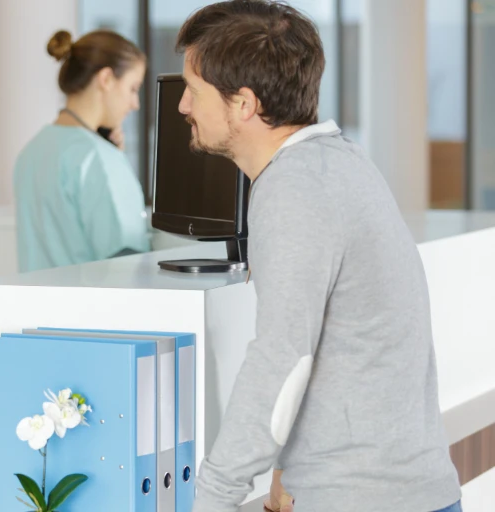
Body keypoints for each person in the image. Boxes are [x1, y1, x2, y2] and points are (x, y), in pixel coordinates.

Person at [172, 2, 463, 512]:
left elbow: (282, 358)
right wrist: (287, 465)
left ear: (243, 103)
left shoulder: (294, 190)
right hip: (399, 490)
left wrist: (213, 494)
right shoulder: (336, 162)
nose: (182, 107)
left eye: (193, 91)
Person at [13, 29, 151, 273]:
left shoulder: (31, 152)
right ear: (106, 79)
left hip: (37, 307)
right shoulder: (99, 157)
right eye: (132, 88)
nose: (135, 103)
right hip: (90, 308)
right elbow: (127, 262)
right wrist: (113, 159)